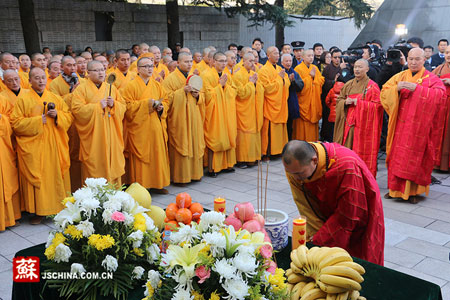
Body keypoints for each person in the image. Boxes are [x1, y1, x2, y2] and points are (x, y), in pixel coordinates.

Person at [282, 140, 385, 265]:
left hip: (359, 207)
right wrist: (315, 238)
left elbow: (348, 216)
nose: (295, 178)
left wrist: (321, 242)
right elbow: (305, 206)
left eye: (299, 173)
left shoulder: (346, 166)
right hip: (327, 209)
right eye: (291, 173)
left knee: (358, 257)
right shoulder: (295, 170)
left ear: (314, 160)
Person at [381, 48, 446, 203]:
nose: (413, 62)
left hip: (419, 129)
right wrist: (396, 89)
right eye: (410, 59)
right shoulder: (400, 76)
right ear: (406, 59)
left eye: (417, 59)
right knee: (397, 157)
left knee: (414, 159)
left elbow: (440, 96)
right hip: (400, 126)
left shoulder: (431, 79)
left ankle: (412, 192)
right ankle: (395, 190)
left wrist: (418, 89)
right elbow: (384, 92)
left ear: (424, 60)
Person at [11, 68, 72, 224]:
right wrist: (39, 121)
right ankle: (40, 211)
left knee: (56, 175)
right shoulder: (23, 100)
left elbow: (69, 117)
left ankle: (59, 208)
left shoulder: (55, 98)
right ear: (30, 81)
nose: (41, 81)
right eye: (36, 78)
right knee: (39, 177)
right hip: (35, 147)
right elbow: (16, 123)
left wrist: (58, 115)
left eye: (43, 78)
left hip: (55, 144)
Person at [71, 61, 126, 185]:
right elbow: (77, 110)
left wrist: (114, 105)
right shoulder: (81, 89)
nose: (101, 72)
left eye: (102, 69)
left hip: (111, 134)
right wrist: (97, 107)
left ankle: (114, 199)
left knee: (112, 163)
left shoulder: (111, 88)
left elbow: (123, 107)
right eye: (96, 70)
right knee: (94, 165)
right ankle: (93, 201)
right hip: (94, 136)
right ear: (88, 73)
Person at [121, 57, 170, 193]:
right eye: (146, 66)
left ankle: (157, 184)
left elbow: (165, 100)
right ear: (138, 69)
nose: (149, 69)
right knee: (142, 157)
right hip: (139, 128)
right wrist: (148, 103)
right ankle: (141, 188)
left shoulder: (157, 85)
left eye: (151, 66)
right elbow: (127, 107)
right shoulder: (131, 86)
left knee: (157, 154)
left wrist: (162, 107)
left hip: (155, 125)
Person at [333, 59, 383, 177]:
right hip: (347, 124)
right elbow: (339, 100)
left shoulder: (372, 87)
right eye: (355, 67)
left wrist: (358, 103)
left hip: (362, 127)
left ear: (367, 69)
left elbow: (378, 107)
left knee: (359, 153)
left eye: (360, 67)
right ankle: (345, 175)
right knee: (345, 151)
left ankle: (361, 177)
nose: (357, 69)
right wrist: (345, 102)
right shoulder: (348, 84)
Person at [162, 52, 205, 185]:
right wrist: (182, 92)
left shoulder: (194, 77)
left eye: (190, 61)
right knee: (181, 144)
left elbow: (203, 97)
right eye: (186, 61)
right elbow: (166, 99)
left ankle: (195, 174)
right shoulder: (170, 79)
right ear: (178, 63)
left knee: (195, 142)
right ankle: (181, 177)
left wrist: (198, 95)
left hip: (194, 117)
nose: (189, 64)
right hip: (179, 119)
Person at [202, 52, 237, 177]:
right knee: (216, 137)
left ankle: (227, 165)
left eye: (224, 61)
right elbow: (206, 95)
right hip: (215, 114)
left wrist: (225, 87)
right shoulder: (206, 75)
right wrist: (219, 86)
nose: (223, 64)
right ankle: (213, 168)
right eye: (220, 61)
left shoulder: (227, 75)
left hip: (226, 112)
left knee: (227, 136)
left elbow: (234, 91)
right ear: (213, 62)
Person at [258, 46, 290, 159]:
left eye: (278, 54)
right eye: (274, 53)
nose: (277, 56)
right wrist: (279, 79)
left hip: (280, 104)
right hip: (270, 105)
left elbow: (287, 82)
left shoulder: (279, 69)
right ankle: (269, 152)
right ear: (268, 55)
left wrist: (282, 79)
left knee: (280, 129)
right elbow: (266, 88)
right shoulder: (263, 70)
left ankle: (280, 150)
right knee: (270, 130)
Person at [234, 52, 264, 167]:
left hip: (254, 109)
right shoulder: (238, 75)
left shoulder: (253, 73)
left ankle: (254, 157)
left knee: (254, 133)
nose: (252, 63)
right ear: (244, 61)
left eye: (254, 61)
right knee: (244, 135)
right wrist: (251, 84)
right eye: (250, 61)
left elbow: (261, 89)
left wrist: (256, 84)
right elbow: (240, 93)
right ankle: (242, 160)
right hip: (244, 110)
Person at [0, 72, 21, 230]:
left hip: (5, 145)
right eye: (9, 80)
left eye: (16, 79)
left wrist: (2, 119)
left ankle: (9, 217)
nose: (14, 82)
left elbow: (10, 119)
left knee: (7, 178)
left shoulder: (2, 99)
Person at [294, 49, 324, 141]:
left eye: (312, 55)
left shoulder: (314, 67)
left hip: (313, 103)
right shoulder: (297, 69)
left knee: (313, 129)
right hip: (303, 103)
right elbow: (298, 86)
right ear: (302, 57)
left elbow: (321, 80)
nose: (311, 58)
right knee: (301, 129)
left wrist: (314, 77)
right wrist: (309, 77)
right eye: (308, 56)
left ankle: (313, 145)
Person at [432, 45, 450, 172]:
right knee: (439, 134)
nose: (448, 55)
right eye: (447, 52)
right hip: (440, 107)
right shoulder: (438, 69)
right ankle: (438, 164)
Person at [321, 48, 344, 142]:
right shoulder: (327, 69)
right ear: (331, 58)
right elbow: (324, 83)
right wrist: (333, 81)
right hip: (329, 100)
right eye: (335, 57)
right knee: (328, 122)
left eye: (339, 57)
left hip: (342, 99)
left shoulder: (345, 67)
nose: (337, 59)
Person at [281, 53, 304, 140]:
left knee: (289, 127)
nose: (288, 63)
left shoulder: (294, 73)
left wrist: (293, 81)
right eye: (286, 61)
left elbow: (300, 87)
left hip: (291, 103)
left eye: (290, 61)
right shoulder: (280, 71)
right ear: (282, 62)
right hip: (281, 103)